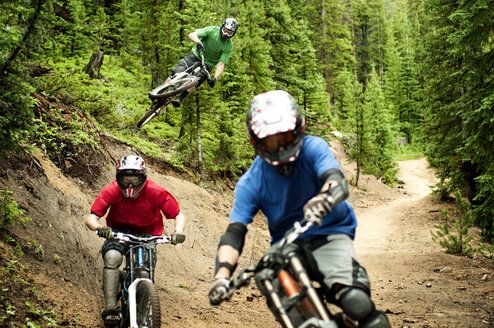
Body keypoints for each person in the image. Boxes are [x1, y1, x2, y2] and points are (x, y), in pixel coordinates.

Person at [207, 90, 391, 328]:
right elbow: (234, 233)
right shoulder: (250, 183)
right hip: (286, 247)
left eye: (285, 137)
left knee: (356, 301)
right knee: (275, 287)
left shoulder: (314, 147)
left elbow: (336, 180)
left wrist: (324, 198)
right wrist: (221, 277)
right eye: (271, 141)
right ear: (257, 141)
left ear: (298, 129)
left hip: (329, 233)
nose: (280, 147)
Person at [85, 155, 186, 327]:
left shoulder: (156, 191)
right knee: (112, 258)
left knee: (145, 270)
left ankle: (144, 302)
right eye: (126, 179)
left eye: (135, 179)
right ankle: (111, 308)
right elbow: (91, 217)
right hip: (117, 232)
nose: (130, 184)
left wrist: (178, 231)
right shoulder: (112, 190)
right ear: (118, 178)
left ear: (143, 178)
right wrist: (98, 227)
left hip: (148, 232)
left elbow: (177, 214)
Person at [167, 17, 238, 107]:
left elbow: (221, 64)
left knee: (197, 80)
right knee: (175, 73)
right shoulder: (212, 30)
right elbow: (191, 35)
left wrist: (215, 78)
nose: (226, 34)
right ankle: (160, 90)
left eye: (230, 33)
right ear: (222, 27)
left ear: (233, 34)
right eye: (225, 31)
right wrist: (198, 42)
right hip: (196, 55)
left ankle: (180, 98)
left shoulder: (228, 45)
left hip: (208, 64)